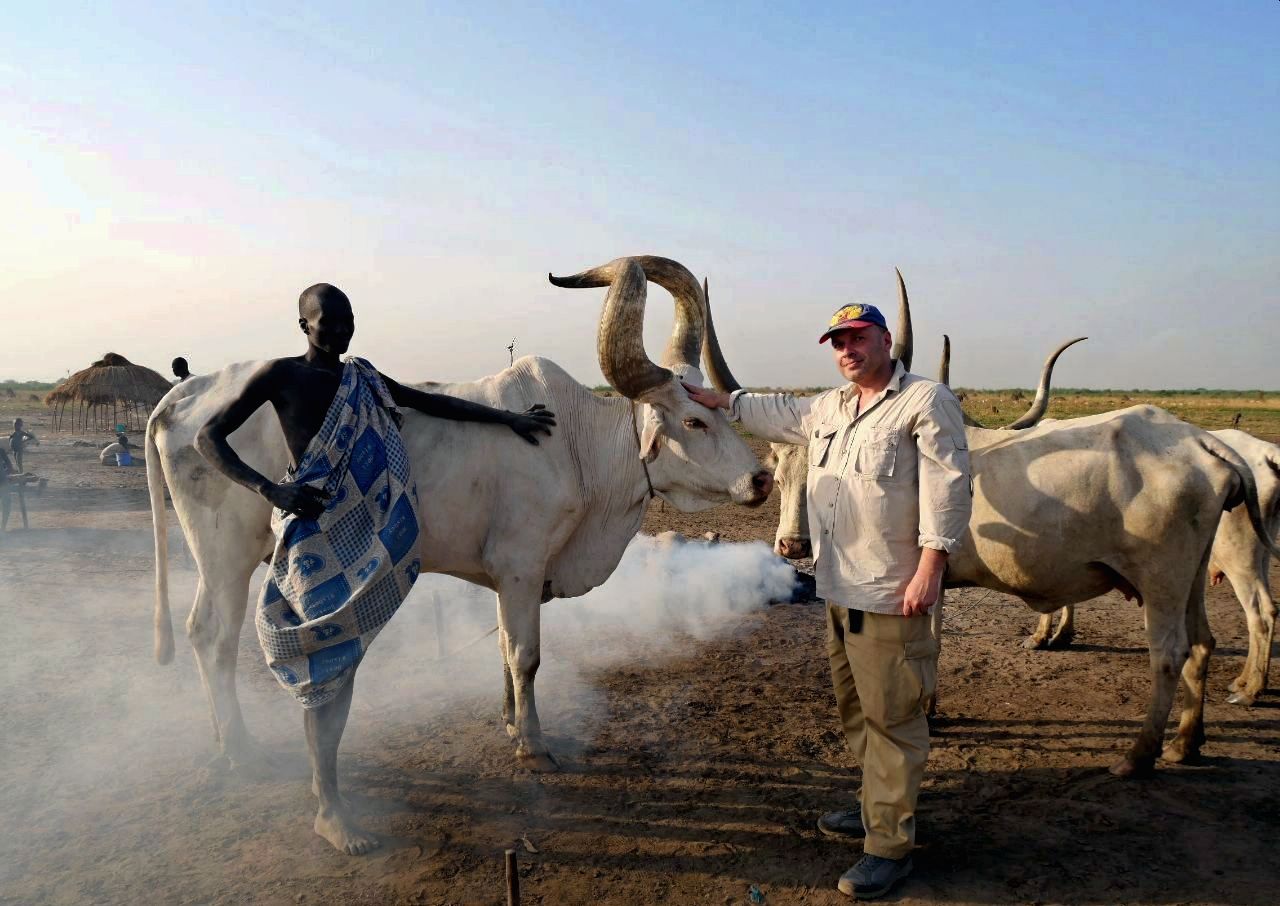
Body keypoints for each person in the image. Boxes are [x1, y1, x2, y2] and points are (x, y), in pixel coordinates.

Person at [196, 282, 556, 855]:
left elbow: (424, 400)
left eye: (348, 322)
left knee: (346, 664)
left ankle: (327, 795)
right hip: (312, 537)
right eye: (328, 323)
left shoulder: (359, 379)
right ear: (303, 325)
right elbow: (206, 436)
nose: (340, 333)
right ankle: (327, 807)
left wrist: (505, 420)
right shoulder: (278, 376)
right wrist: (271, 489)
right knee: (327, 677)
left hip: (363, 536)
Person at [685, 301, 971, 899]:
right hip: (838, 587)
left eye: (859, 337)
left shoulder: (924, 401)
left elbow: (948, 488)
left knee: (893, 720)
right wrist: (718, 401)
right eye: (839, 341)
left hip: (892, 592)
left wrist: (931, 567)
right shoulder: (829, 407)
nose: (848, 349)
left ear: (885, 340)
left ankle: (890, 846)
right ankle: (875, 805)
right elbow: (773, 412)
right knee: (858, 712)